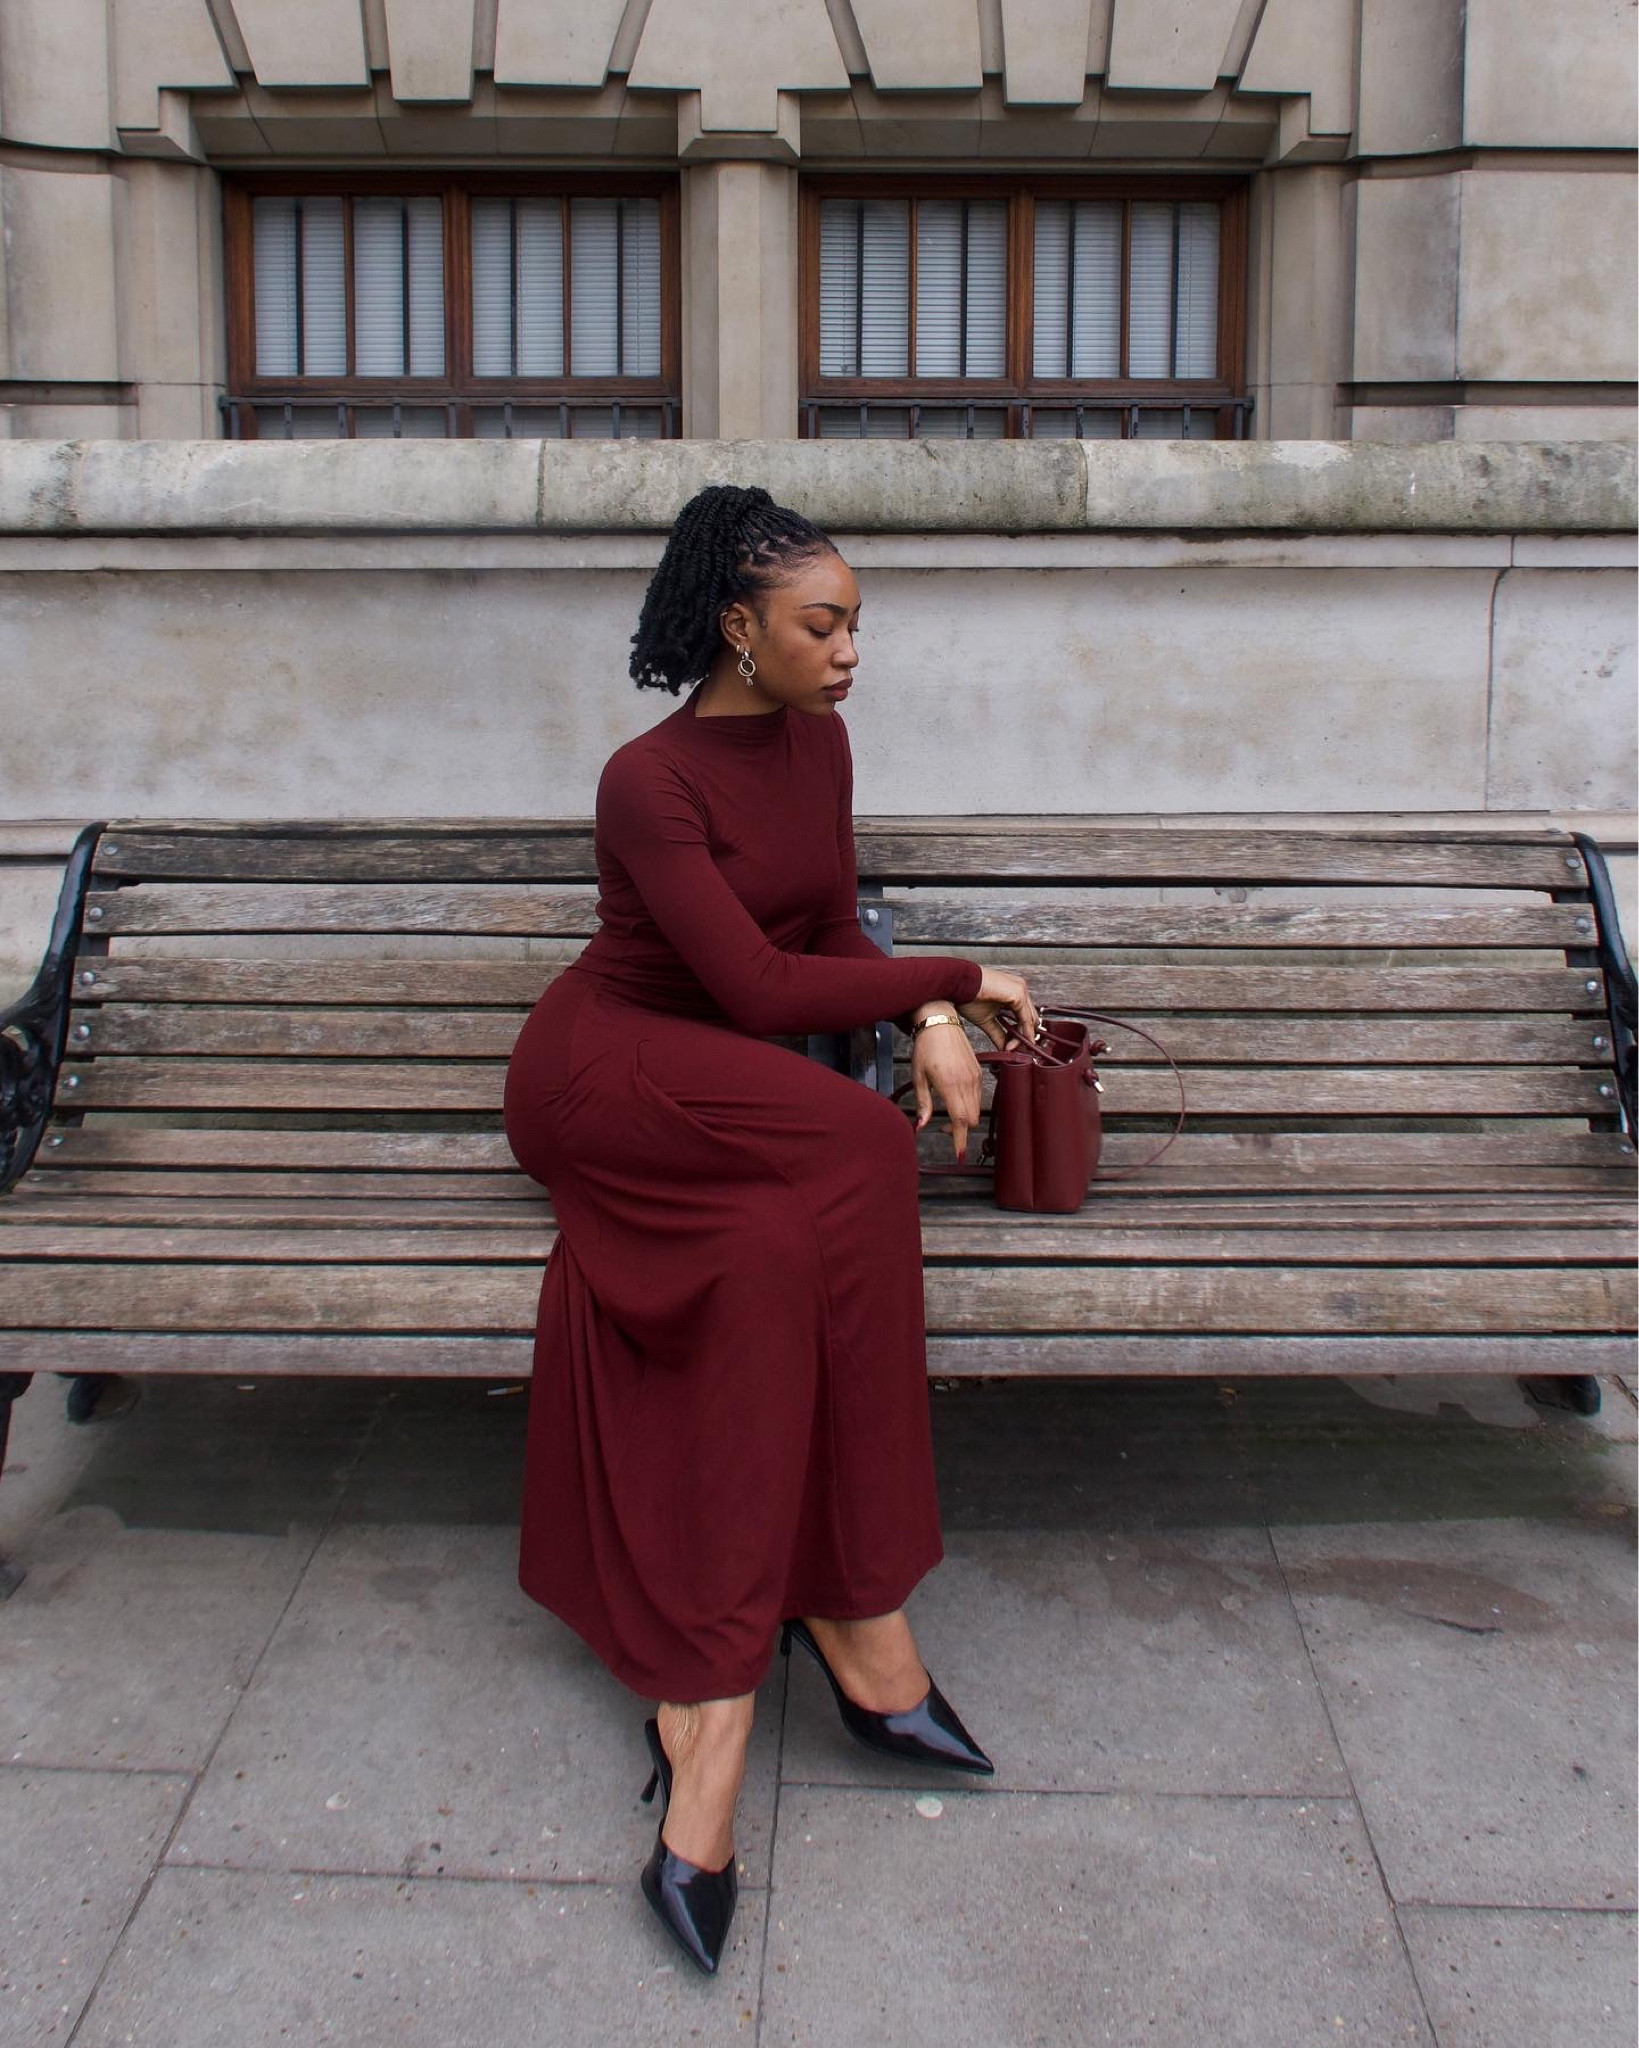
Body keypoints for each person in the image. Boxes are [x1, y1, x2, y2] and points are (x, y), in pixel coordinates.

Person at [503, 483, 1039, 1976]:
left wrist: (925, 1007)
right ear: (739, 627)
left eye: (859, 621)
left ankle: (767, 1657)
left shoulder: (825, 742)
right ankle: (843, 1633)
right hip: (605, 1070)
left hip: (726, 1086)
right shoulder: (647, 779)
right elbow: (752, 984)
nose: (853, 648)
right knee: (865, 1149)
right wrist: (967, 967)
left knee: (770, 1257)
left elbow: (828, 932)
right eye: (825, 624)